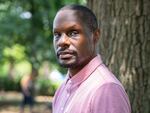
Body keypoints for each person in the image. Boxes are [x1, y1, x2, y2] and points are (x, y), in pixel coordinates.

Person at [52, 4, 131, 113]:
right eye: (57, 35)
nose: (62, 42)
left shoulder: (106, 89)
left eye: (73, 33)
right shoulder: (63, 89)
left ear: (95, 35)